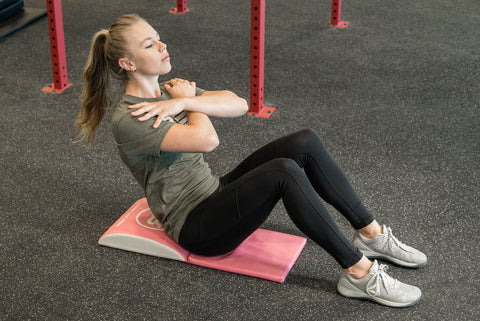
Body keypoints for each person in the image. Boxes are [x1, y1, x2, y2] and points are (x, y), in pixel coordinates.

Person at [76, 14, 427, 307]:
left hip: (213, 192)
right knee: (284, 172)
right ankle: (359, 274)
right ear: (127, 62)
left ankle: (370, 233)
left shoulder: (171, 91)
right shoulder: (133, 117)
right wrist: (189, 102)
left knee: (303, 142)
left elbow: (238, 103)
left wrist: (183, 101)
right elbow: (208, 140)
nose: (164, 46)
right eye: (150, 44)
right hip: (196, 227)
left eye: (159, 38)